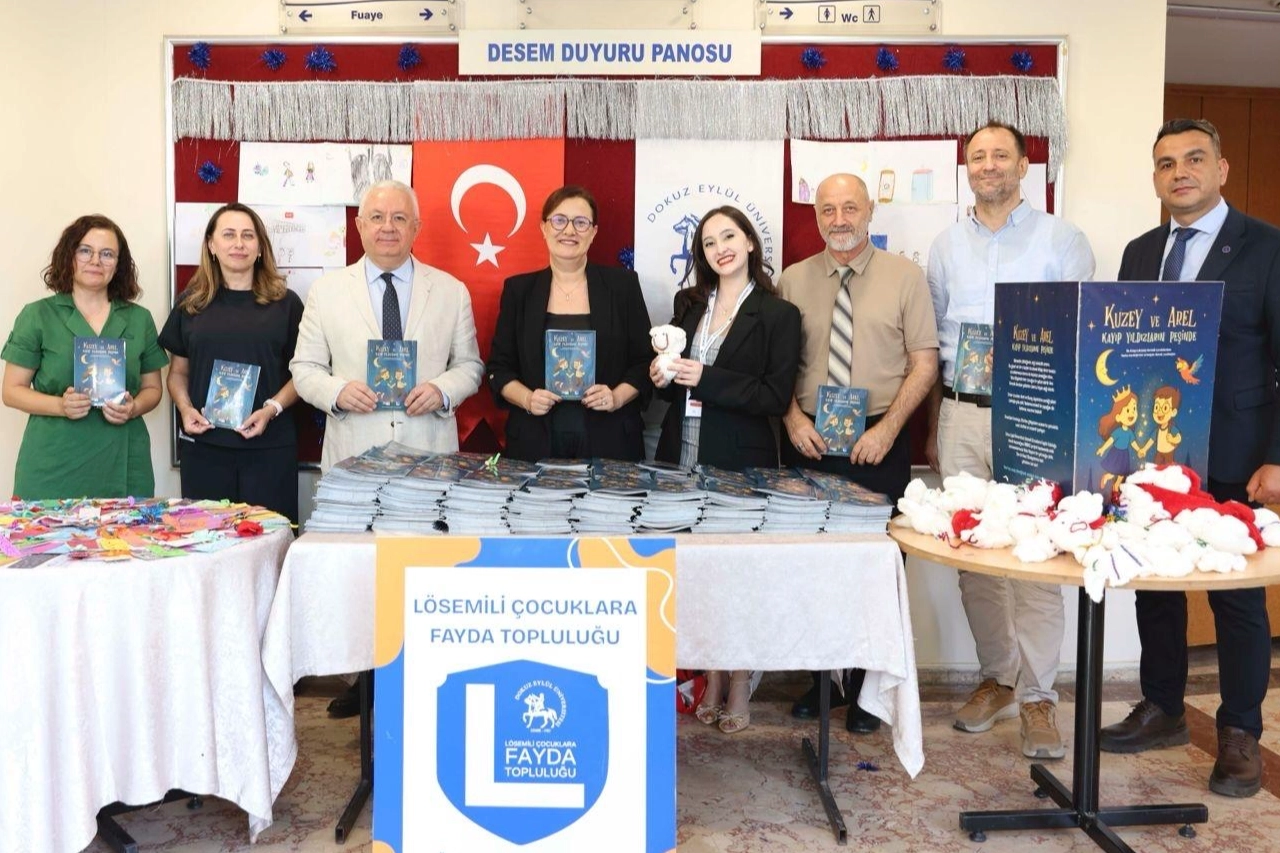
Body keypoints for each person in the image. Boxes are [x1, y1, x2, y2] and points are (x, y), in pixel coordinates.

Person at [1099, 118, 1277, 798]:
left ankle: (1239, 734)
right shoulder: (1141, 252)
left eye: (1195, 159)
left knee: (1236, 599)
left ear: (1221, 169)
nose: (1181, 172)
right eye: (1167, 163)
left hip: (1237, 451)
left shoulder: (1267, 247)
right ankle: (1163, 706)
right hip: (1156, 453)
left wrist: (1278, 458)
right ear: (1155, 177)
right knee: (1156, 587)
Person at [925, 121, 1095, 760]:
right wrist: (938, 423)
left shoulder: (1062, 240)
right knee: (973, 553)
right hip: (963, 415)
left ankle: (1039, 698)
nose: (989, 165)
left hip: (1036, 418)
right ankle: (997, 678)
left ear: (1025, 166)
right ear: (966, 168)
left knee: (1034, 557)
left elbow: (1080, 333)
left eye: (1001, 155)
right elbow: (935, 341)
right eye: (978, 156)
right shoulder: (945, 246)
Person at [291, 179, 483, 717]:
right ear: (359, 226)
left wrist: (442, 389)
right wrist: (337, 391)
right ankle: (363, 679)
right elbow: (304, 368)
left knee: (422, 571)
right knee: (359, 576)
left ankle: (423, 675)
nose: (388, 228)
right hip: (354, 456)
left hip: (428, 456)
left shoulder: (450, 291)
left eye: (400, 218)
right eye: (377, 217)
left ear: (417, 227)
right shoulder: (327, 291)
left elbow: (471, 365)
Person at [777, 173, 939, 734]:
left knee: (878, 568)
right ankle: (822, 680)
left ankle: (870, 690)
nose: (839, 219)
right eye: (828, 209)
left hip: (879, 438)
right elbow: (776, 367)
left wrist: (889, 431)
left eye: (850, 207)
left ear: (870, 210)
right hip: (810, 439)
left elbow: (924, 363)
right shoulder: (793, 280)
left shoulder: (905, 277)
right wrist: (793, 420)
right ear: (816, 216)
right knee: (814, 566)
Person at [650, 205, 801, 734]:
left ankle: (739, 681)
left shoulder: (779, 315)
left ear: (751, 243)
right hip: (681, 456)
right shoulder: (689, 304)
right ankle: (710, 677)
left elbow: (774, 396)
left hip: (741, 464)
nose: (721, 249)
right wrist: (660, 376)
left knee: (739, 579)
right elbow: (671, 378)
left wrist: (705, 378)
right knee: (696, 576)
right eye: (710, 242)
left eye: (729, 236)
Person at [2, 215, 168, 499]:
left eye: (107, 254)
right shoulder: (37, 315)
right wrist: (61, 405)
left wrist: (134, 407)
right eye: (85, 251)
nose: (95, 261)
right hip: (53, 466)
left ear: (119, 264)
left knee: (126, 529)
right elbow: (11, 391)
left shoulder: (139, 319)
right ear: (69, 256)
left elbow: (153, 389)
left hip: (124, 464)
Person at [158, 203, 305, 523]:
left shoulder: (287, 304)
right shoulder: (190, 303)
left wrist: (271, 409)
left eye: (248, 235)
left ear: (260, 247)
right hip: (204, 449)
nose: (239, 243)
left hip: (270, 449)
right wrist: (185, 409)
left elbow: (304, 375)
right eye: (229, 235)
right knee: (206, 541)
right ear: (211, 245)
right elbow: (177, 373)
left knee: (271, 542)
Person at [486, 186, 653, 461]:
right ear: (543, 227)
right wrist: (527, 399)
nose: (569, 230)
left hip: (610, 441)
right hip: (533, 441)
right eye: (559, 220)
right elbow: (498, 368)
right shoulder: (519, 290)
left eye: (581, 222)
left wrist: (616, 397)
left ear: (594, 232)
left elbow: (645, 362)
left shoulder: (623, 286)